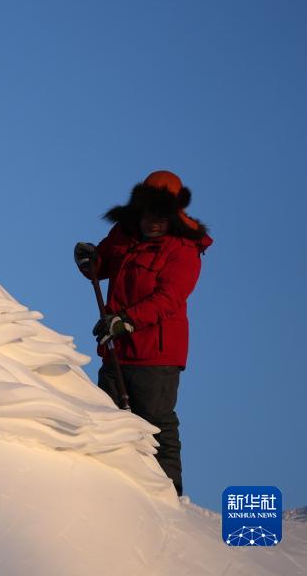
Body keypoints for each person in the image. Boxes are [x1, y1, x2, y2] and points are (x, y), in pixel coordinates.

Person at [73, 170, 212, 496]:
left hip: (157, 355)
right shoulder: (123, 235)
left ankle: (168, 493)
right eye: (149, 214)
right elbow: (101, 267)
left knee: (155, 423)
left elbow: (169, 299)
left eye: (162, 216)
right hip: (117, 349)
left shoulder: (182, 250)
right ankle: (116, 490)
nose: (154, 222)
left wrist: (126, 320)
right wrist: (88, 260)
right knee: (110, 419)